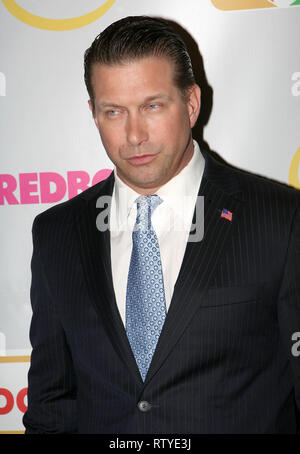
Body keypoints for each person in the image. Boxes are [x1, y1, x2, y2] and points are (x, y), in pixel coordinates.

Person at [23, 15, 300, 434]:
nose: (134, 134)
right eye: (113, 111)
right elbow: (52, 403)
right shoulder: (56, 233)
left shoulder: (282, 219)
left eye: (152, 106)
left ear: (190, 103)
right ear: (94, 114)